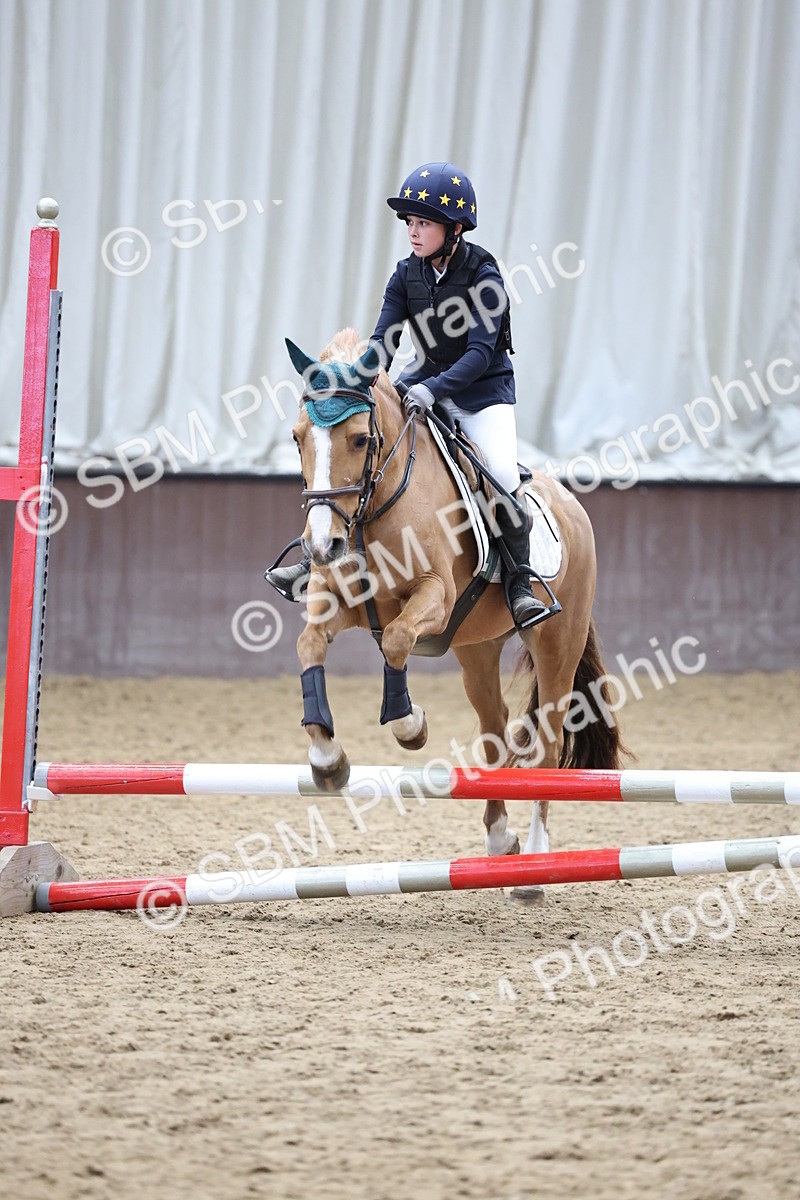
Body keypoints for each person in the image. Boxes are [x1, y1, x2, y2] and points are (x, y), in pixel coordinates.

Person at [268, 160, 546, 627]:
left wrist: (432, 390)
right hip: (422, 383)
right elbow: (383, 342)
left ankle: (520, 583)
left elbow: (480, 354)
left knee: (500, 478)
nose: (413, 232)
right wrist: (355, 377)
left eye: (424, 223)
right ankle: (316, 558)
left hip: (483, 394)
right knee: (370, 452)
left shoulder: (484, 275)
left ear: (454, 229)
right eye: (410, 222)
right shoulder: (405, 274)